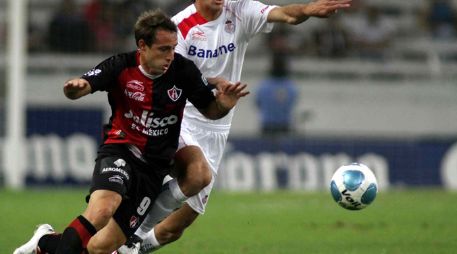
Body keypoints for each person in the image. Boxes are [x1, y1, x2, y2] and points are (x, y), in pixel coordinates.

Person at [118, 0, 352, 253]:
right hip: (182, 116)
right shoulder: (179, 28)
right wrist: (211, 83)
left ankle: (133, 249)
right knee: (194, 174)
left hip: (217, 125)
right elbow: (173, 75)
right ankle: (128, 233)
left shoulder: (239, 10)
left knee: (177, 226)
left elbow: (284, 14)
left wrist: (307, 10)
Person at [13, 9, 248, 254]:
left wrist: (224, 104)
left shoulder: (183, 71)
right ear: (142, 46)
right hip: (121, 151)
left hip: (153, 169)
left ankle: (45, 241)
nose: (171, 55)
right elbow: (82, 86)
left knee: (99, 247)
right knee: (102, 210)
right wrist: (76, 88)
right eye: (163, 49)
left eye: (173, 48)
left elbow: (210, 110)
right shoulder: (120, 65)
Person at [256, 54, 298, 136]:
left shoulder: (263, 86)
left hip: (267, 126)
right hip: (284, 126)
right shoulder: (291, 86)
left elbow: (258, 104)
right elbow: (293, 102)